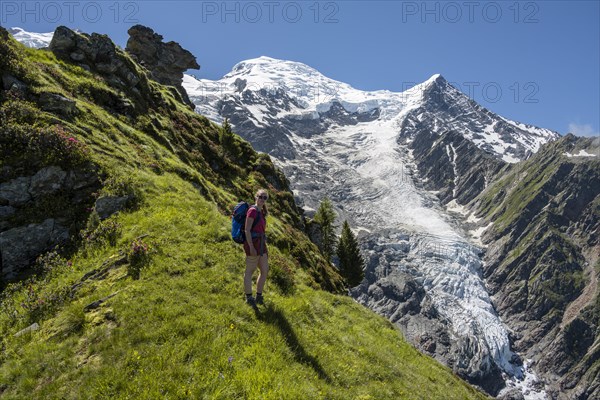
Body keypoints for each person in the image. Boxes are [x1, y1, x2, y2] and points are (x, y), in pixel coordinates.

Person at [243, 189, 269, 306]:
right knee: (250, 271)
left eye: (265, 198)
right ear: (256, 197)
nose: (262, 199)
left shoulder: (261, 212)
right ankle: (249, 297)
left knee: (264, 271)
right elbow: (247, 230)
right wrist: (251, 247)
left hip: (261, 245)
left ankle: (259, 296)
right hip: (253, 244)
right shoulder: (252, 211)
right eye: (260, 197)